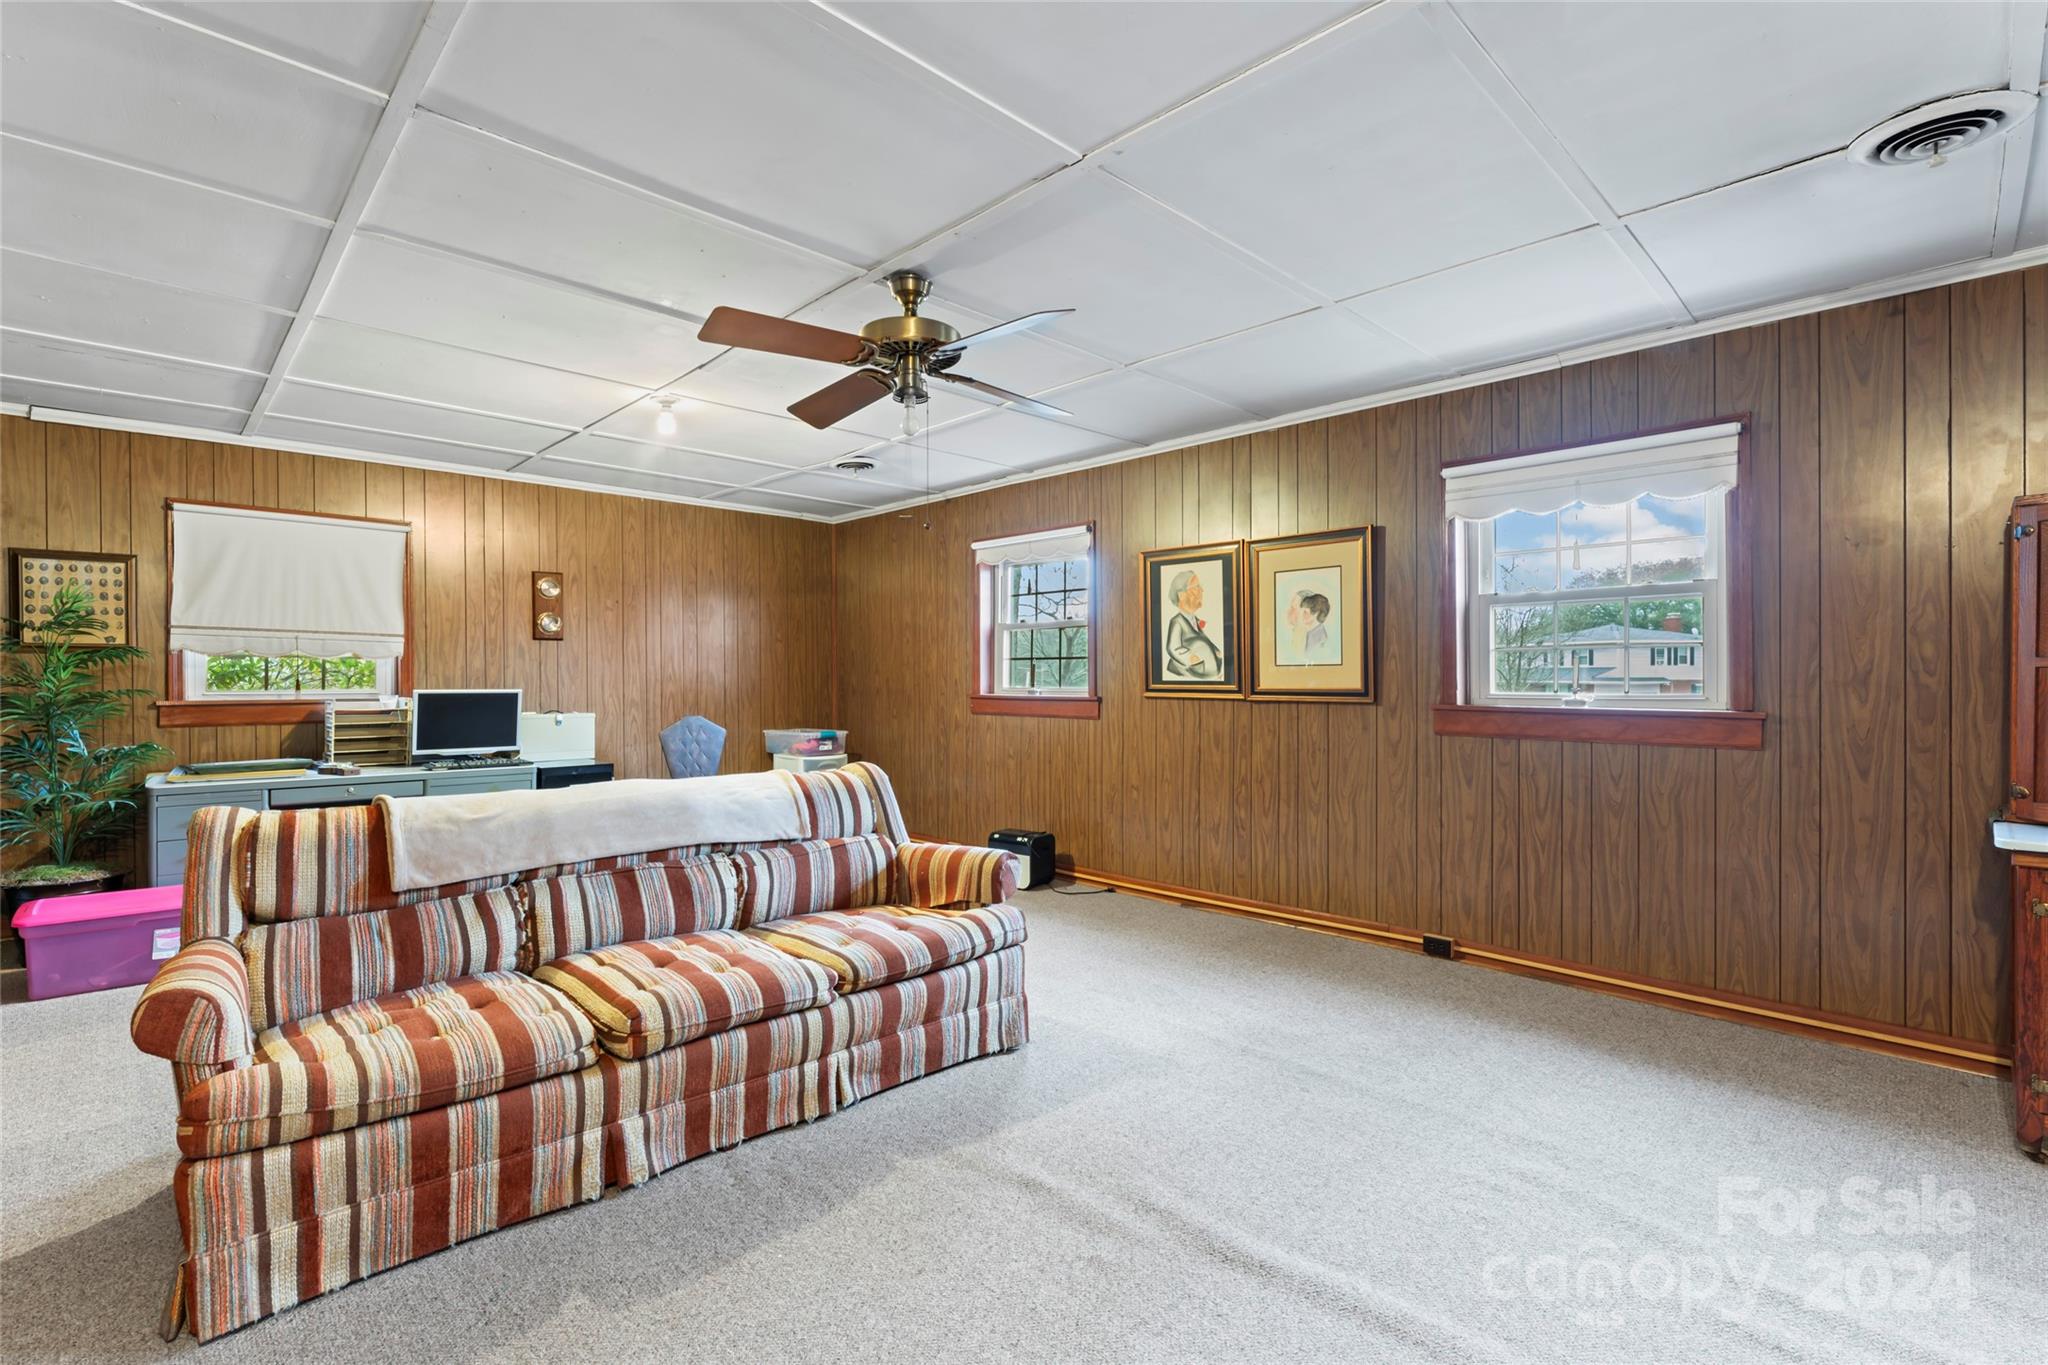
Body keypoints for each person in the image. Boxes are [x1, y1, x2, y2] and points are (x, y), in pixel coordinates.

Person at [1164, 568, 1223, 678]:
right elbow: (1173, 648)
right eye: (1196, 587)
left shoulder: (1195, 620)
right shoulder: (1177, 622)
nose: (1201, 590)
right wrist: (1189, 657)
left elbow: (1204, 640)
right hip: (1187, 673)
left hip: (1209, 674)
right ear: (1181, 595)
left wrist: (1216, 651)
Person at [1284, 589, 1333, 662]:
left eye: (1294, 608)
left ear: (1316, 614)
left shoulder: (1319, 639)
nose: (1288, 613)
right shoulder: (1304, 633)